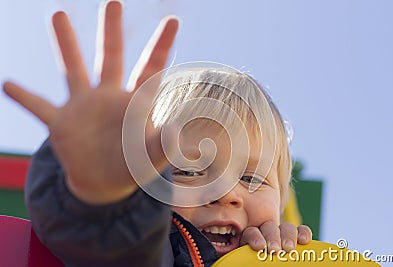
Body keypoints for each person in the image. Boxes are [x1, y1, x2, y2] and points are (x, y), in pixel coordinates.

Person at [3, 1, 312, 267]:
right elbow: (114, 243)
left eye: (251, 179)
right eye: (189, 170)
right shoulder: (146, 252)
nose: (227, 194)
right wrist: (105, 202)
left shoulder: (299, 255)